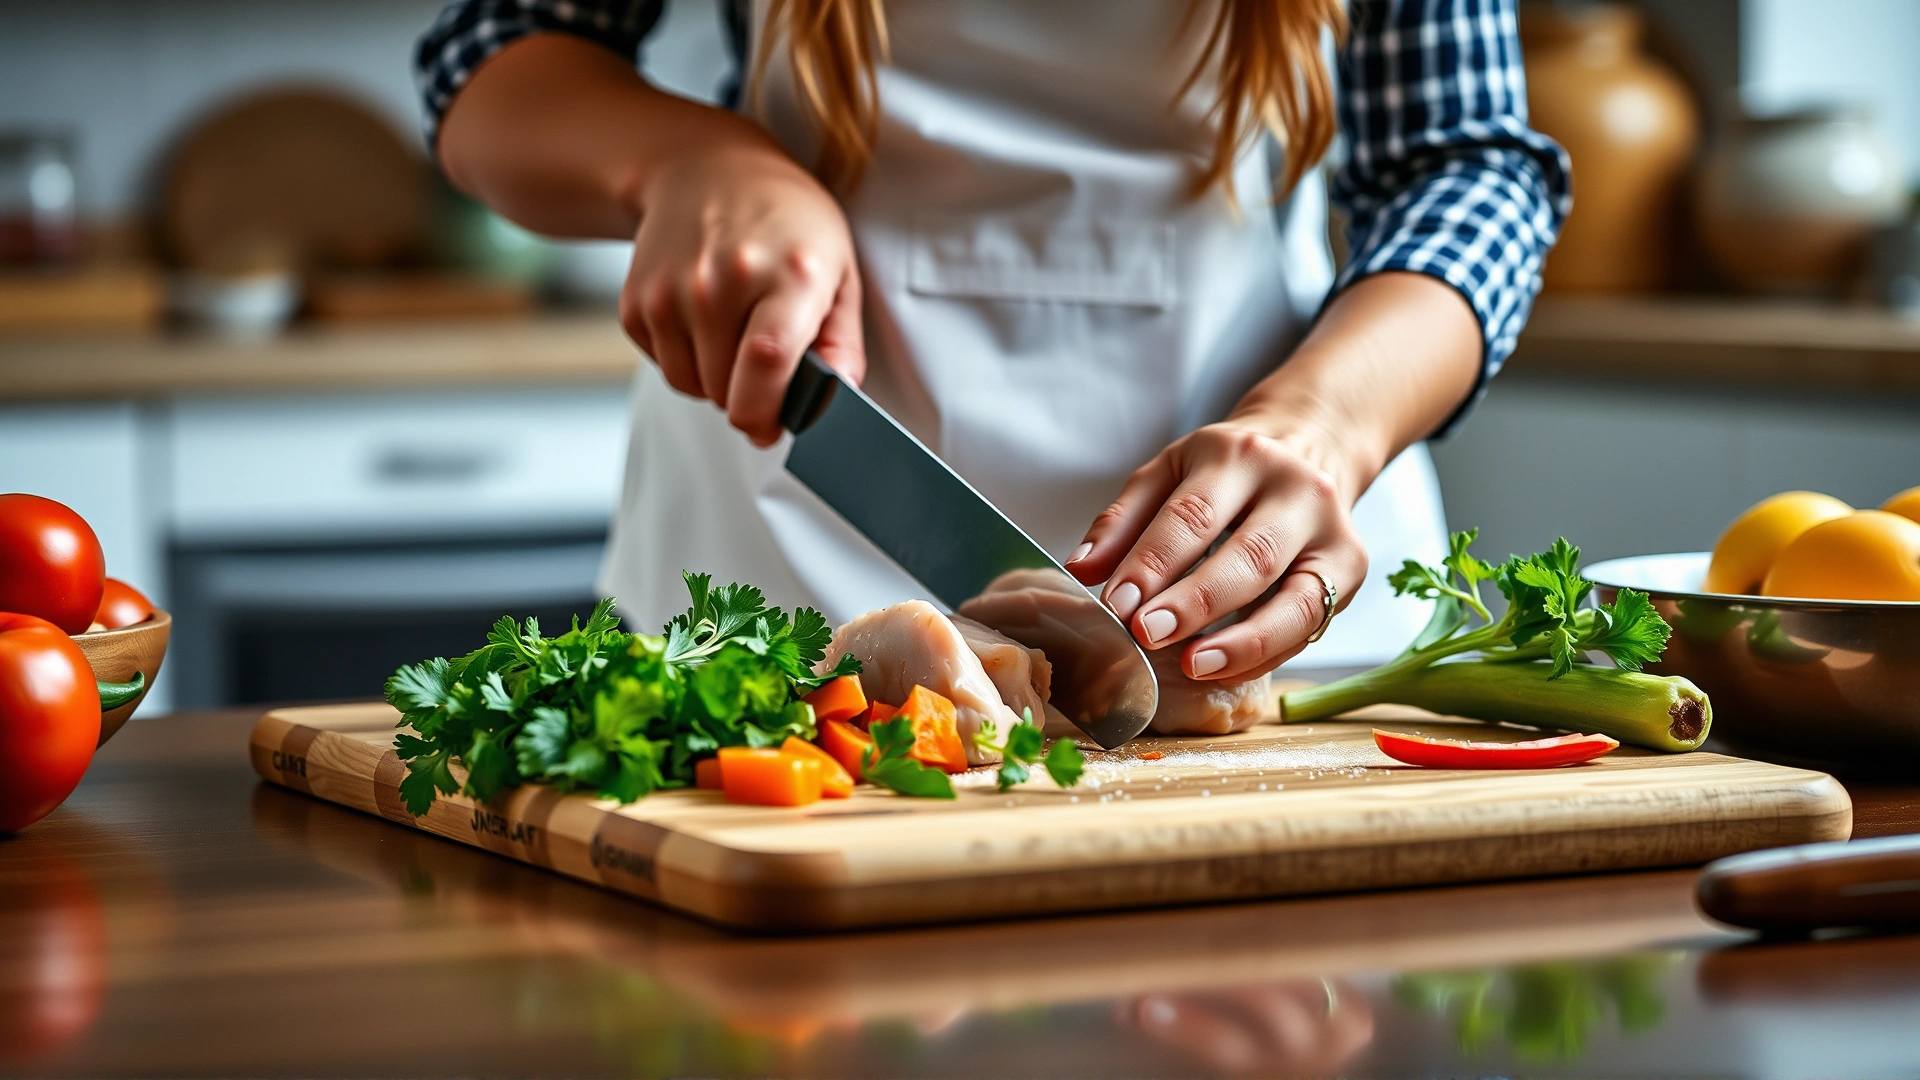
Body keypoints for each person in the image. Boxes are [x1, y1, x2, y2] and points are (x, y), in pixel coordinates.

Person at [416, 0, 1567, 687]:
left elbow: (1463, 168)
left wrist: (1325, 423)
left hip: (1247, 605)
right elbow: (497, 49)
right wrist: (689, 162)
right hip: (777, 577)